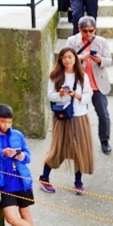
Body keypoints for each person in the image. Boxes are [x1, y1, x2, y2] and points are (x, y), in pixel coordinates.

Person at [41, 48, 95, 195]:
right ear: (60, 60)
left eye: (70, 57)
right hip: (62, 117)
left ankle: (78, 181)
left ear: (75, 59)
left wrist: (77, 95)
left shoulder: (82, 76)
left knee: (80, 149)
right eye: (64, 57)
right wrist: (60, 94)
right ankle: (44, 177)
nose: (67, 60)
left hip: (80, 115)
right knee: (57, 148)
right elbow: (50, 96)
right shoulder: (55, 76)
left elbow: (89, 94)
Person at [65, 16, 113, 154]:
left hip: (98, 84)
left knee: (104, 115)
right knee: (76, 115)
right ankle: (75, 142)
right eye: (85, 31)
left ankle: (105, 141)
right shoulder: (72, 41)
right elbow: (64, 59)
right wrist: (78, 58)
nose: (88, 34)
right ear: (79, 29)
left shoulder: (102, 42)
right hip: (80, 85)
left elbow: (109, 60)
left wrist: (100, 60)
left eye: (91, 31)